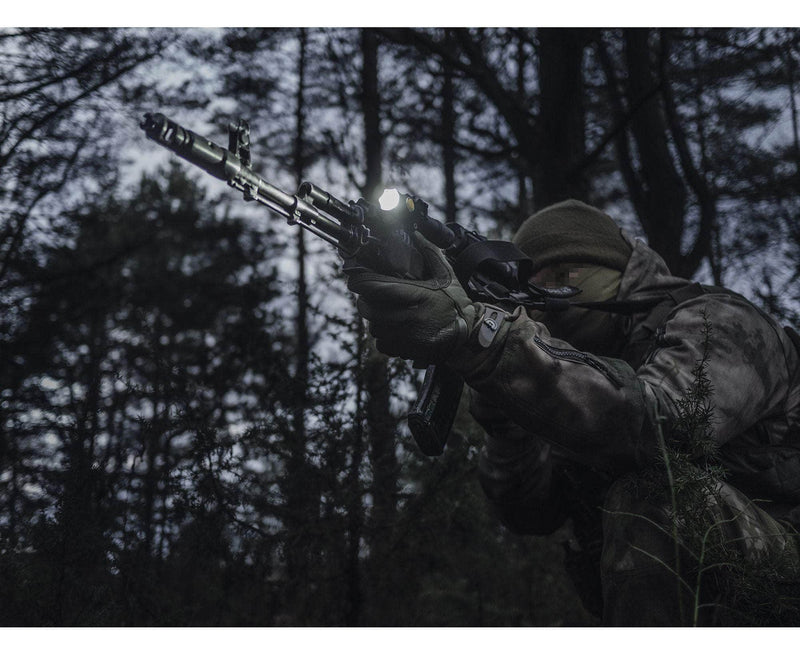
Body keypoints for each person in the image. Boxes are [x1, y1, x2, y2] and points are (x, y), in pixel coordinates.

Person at [346, 199, 800, 626]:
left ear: (619, 272)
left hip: (784, 568)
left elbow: (659, 429)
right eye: (533, 281)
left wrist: (488, 343)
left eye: (565, 272)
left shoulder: (716, 321)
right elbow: (530, 512)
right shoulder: (569, 371)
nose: (546, 292)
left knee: (655, 499)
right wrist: (505, 418)